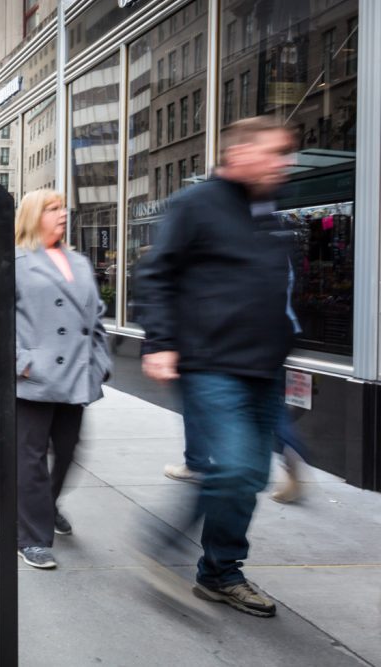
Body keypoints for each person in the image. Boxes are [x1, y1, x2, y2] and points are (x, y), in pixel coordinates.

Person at [136, 116, 297, 617]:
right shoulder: (195, 204)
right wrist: (159, 343)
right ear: (241, 153)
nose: (283, 163)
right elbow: (155, 272)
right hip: (211, 364)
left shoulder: (266, 211)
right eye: (274, 153)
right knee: (233, 466)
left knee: (248, 476)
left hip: (264, 368)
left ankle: (219, 573)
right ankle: (171, 551)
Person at [14, 189, 112, 570]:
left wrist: (100, 360)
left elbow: (97, 316)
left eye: (62, 208)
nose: (62, 214)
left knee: (70, 450)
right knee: (30, 458)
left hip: (76, 373)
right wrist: (21, 361)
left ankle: (45, 505)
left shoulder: (80, 261)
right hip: (34, 377)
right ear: (33, 215)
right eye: (52, 209)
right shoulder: (18, 261)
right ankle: (31, 536)